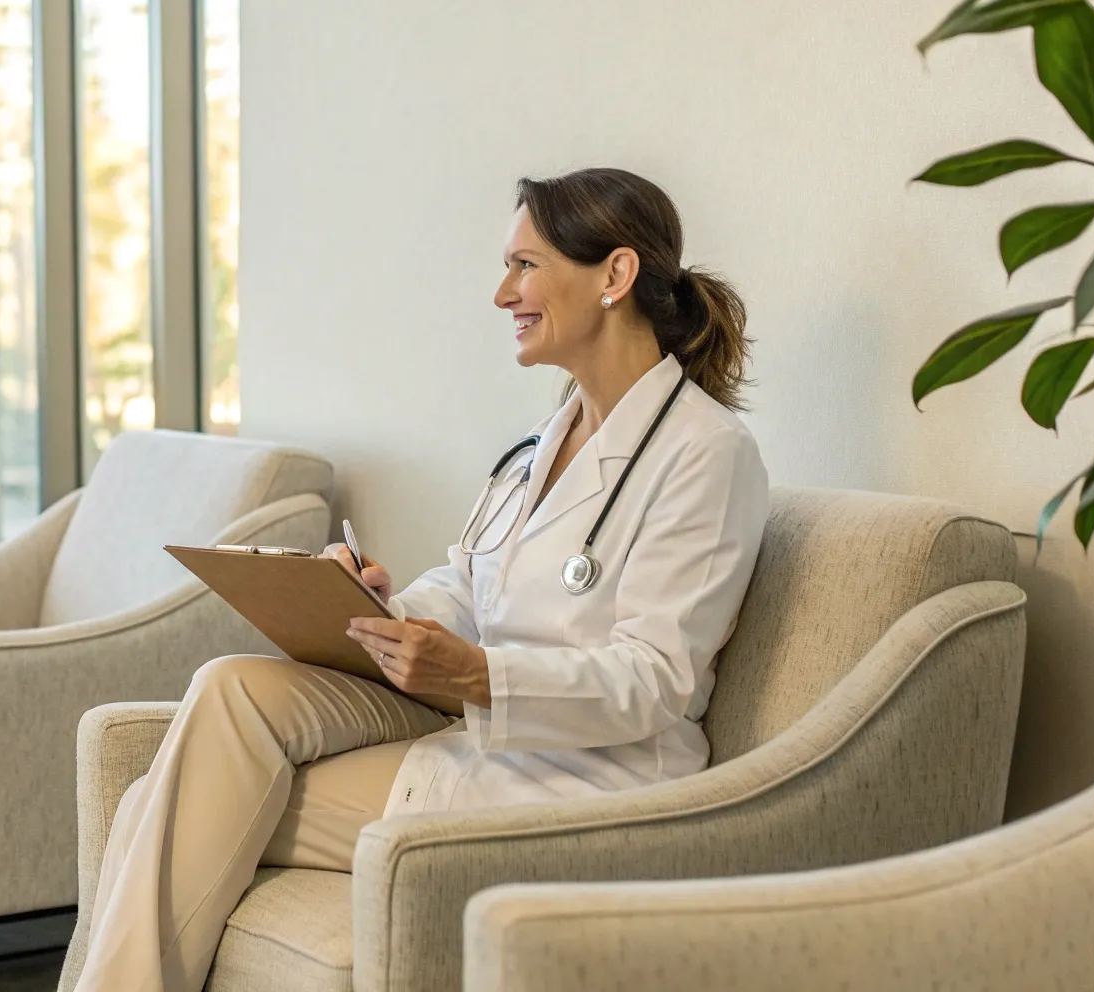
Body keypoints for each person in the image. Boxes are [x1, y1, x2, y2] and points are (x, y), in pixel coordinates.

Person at [71, 167, 772, 992]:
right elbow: (472, 588)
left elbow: (659, 681)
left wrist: (477, 676)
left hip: (587, 785)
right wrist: (383, 609)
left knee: (154, 806)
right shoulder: (540, 446)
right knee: (229, 686)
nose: (502, 293)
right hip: (480, 739)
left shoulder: (705, 454)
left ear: (615, 276)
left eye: (525, 266)